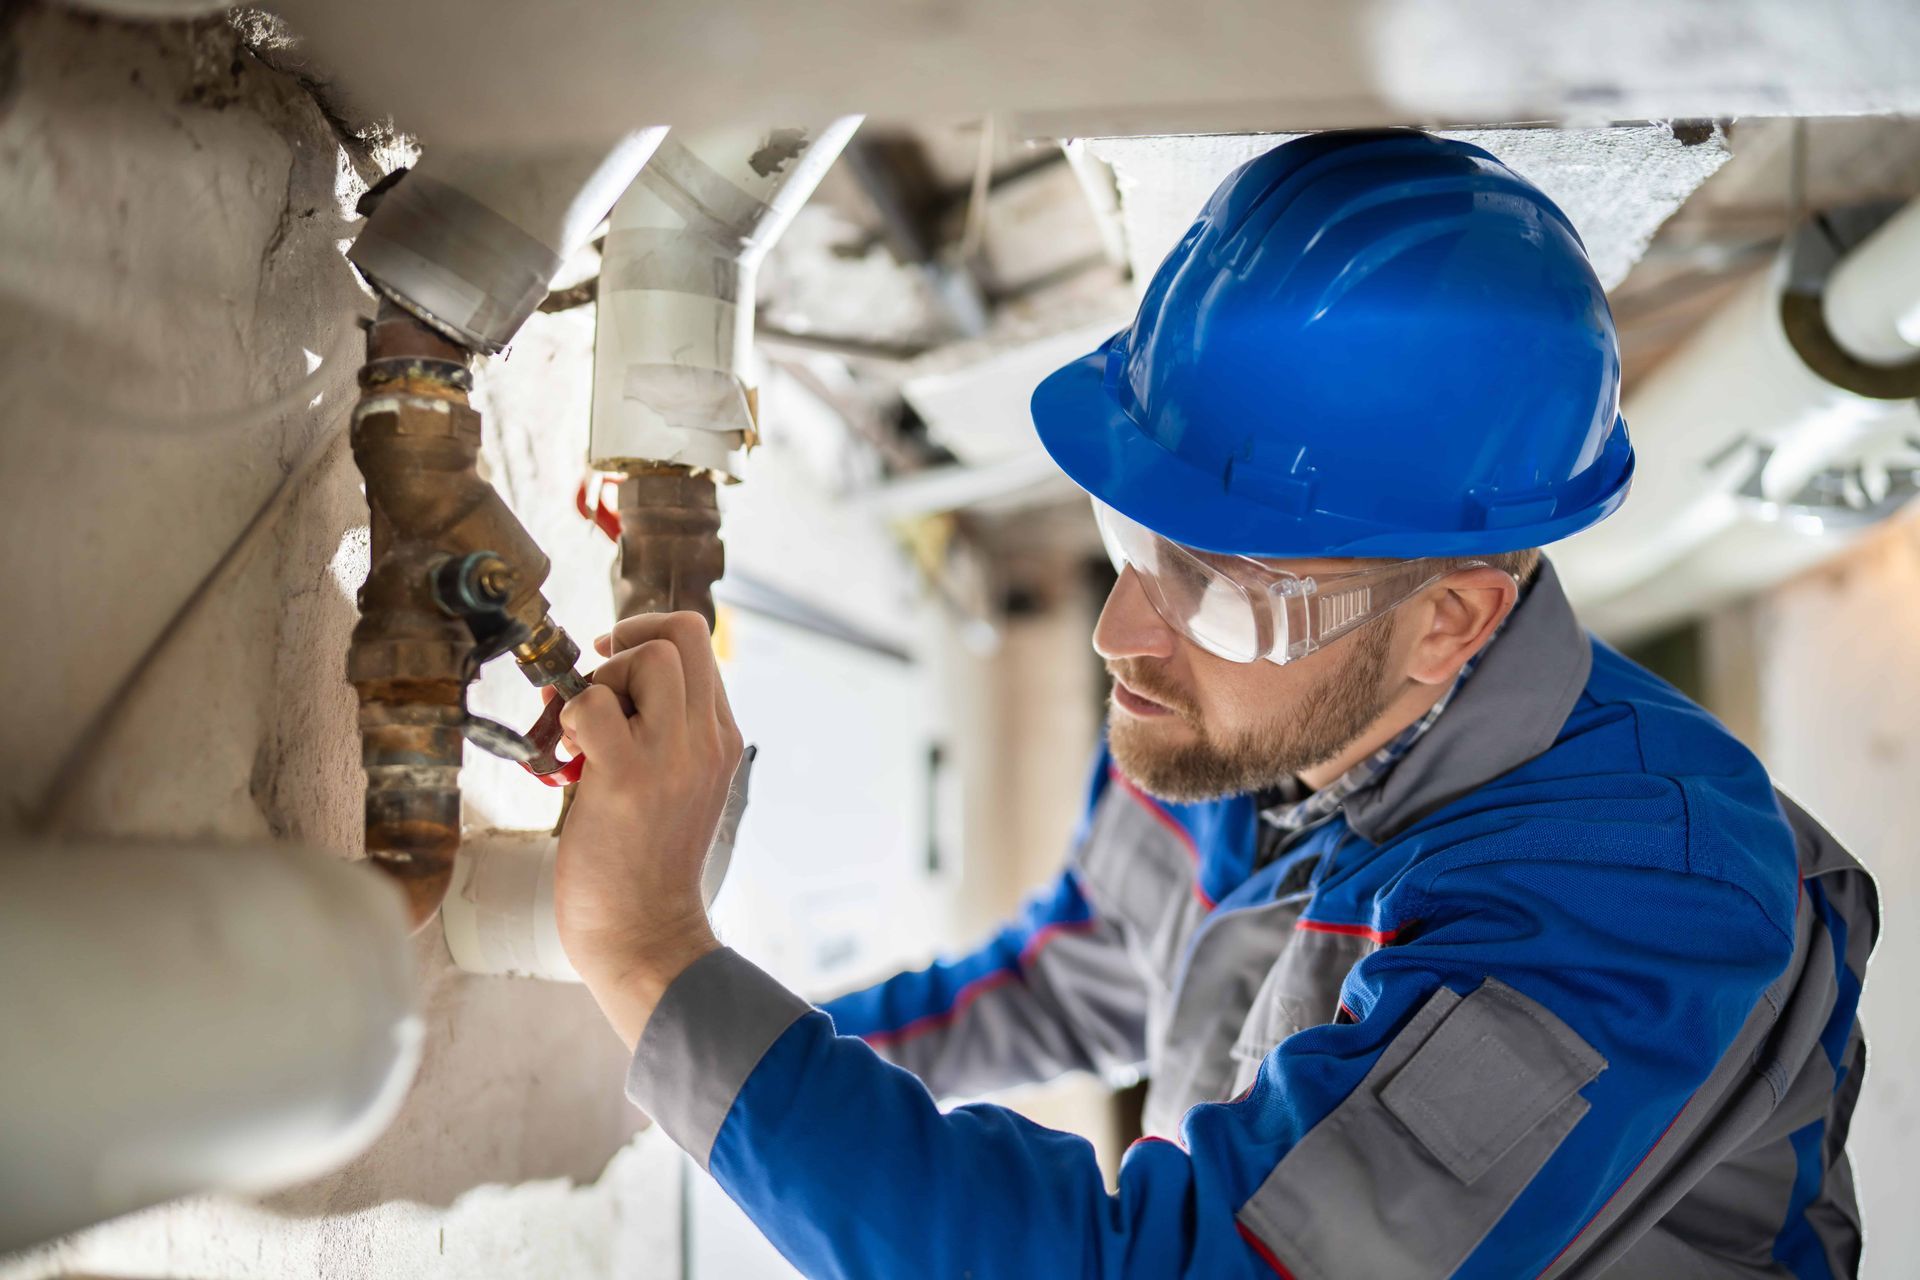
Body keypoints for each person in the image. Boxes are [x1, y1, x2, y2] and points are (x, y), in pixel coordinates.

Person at [551, 131, 1877, 1279]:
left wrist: (652, 953)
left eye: (1225, 586)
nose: (1120, 633)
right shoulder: (1222, 720)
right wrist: (692, 1036)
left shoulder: (1638, 899)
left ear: (1452, 621)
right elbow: (1068, 980)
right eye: (1130, 533)